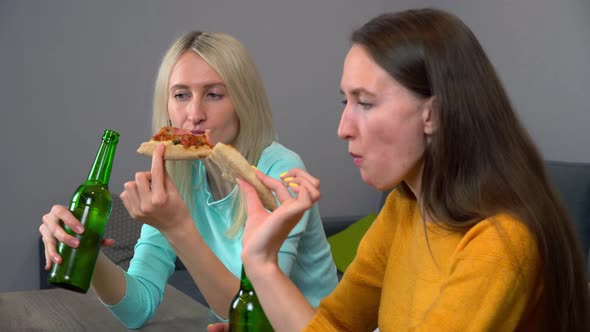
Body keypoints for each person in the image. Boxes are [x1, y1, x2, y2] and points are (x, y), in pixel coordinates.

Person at [209, 8, 590, 332]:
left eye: (366, 103)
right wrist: (260, 260)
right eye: (346, 100)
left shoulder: (501, 241)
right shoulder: (404, 208)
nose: (343, 127)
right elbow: (333, 326)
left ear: (432, 114)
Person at [39, 31, 338, 328]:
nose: (194, 115)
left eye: (214, 94)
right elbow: (137, 308)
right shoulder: (181, 174)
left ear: (244, 101)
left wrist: (176, 226)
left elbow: (255, 316)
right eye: (181, 95)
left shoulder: (280, 172)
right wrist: (86, 251)